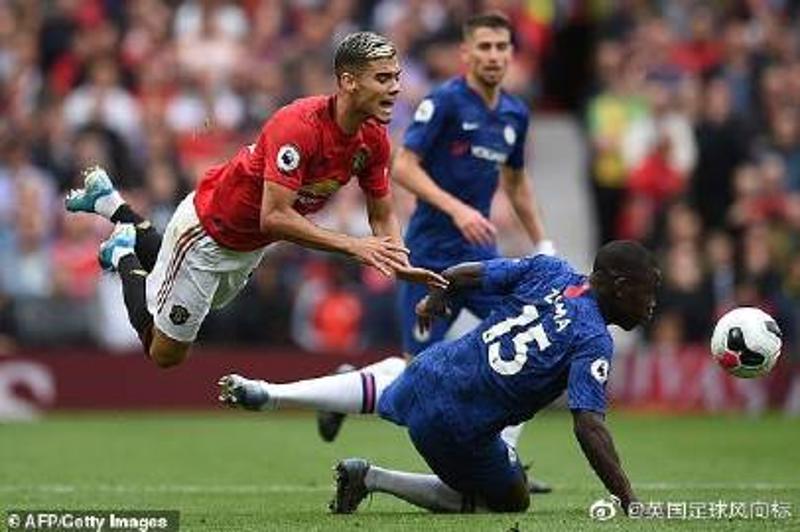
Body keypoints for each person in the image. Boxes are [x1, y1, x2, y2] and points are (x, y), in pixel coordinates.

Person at [64, 32, 446, 368]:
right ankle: (122, 253)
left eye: (396, 77)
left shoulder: (373, 138)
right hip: (208, 229)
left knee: (195, 293)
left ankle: (111, 204)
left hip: (248, 246)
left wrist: (401, 264)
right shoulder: (299, 126)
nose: (396, 88)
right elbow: (274, 217)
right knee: (165, 354)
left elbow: (381, 213)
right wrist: (354, 246)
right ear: (348, 81)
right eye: (383, 78)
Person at [218, 240, 660, 514]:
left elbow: (463, 274)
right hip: (456, 426)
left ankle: (275, 393)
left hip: (431, 368)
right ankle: (372, 478)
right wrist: (628, 498)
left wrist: (434, 298)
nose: (652, 302)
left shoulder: (551, 269)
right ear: (621, 286)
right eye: (648, 290)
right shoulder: (593, 339)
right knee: (512, 499)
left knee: (400, 379)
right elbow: (588, 426)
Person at [316, 12, 552, 491]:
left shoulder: (514, 113)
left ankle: (506, 461)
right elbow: (404, 167)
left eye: (501, 47)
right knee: (416, 378)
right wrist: (457, 208)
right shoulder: (444, 102)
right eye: (483, 47)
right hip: (431, 259)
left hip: (481, 262)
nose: (493, 56)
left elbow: (516, 183)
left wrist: (543, 244)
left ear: (511, 54)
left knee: (530, 336)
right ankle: (341, 392)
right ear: (466, 53)